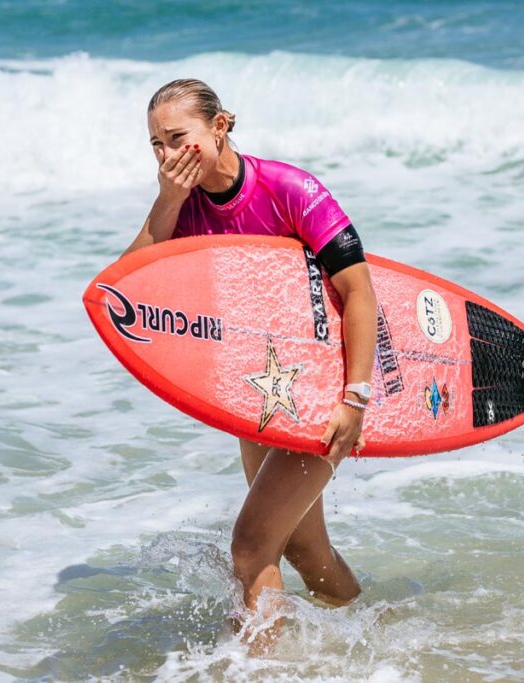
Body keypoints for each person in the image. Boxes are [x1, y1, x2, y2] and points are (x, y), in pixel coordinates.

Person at [123, 79, 377, 651]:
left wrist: (355, 399)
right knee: (303, 548)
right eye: (155, 145)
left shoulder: (290, 189)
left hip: (325, 389)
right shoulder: (182, 210)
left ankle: (259, 668)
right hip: (261, 393)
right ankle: (374, 632)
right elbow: (126, 292)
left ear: (220, 127)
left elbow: (359, 290)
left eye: (177, 138)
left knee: (250, 546)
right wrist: (166, 202)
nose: (167, 156)